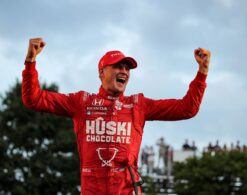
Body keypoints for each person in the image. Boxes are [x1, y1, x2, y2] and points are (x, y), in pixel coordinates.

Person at [22, 38, 211, 195]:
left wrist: (202, 73)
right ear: (101, 73)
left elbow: (187, 109)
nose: (124, 71)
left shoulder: (138, 105)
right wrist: (30, 62)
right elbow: (34, 99)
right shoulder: (82, 102)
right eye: (118, 66)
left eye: (127, 68)